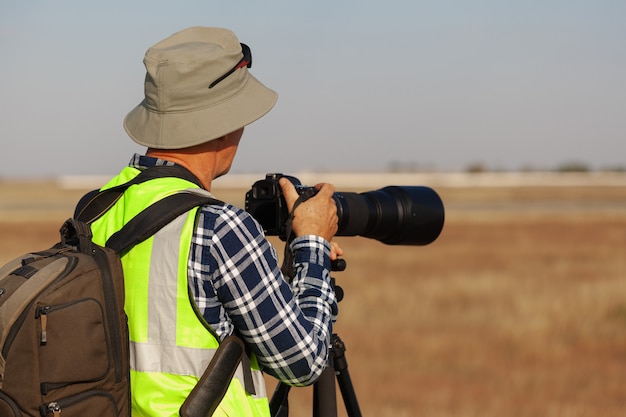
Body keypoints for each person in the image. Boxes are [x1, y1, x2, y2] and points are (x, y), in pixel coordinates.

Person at [88, 27, 341, 417]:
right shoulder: (219, 227)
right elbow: (302, 361)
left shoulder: (95, 211)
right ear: (222, 121)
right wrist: (312, 245)